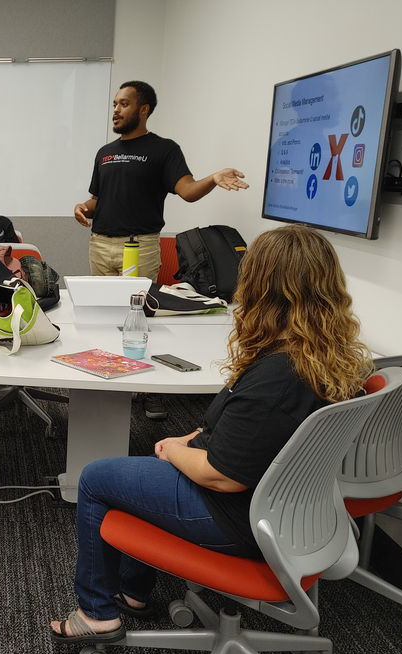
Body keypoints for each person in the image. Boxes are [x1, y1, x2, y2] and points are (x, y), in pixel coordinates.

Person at [50, 224, 372, 644]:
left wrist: (171, 449)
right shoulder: (327, 354)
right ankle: (132, 592)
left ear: (262, 286)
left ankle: (95, 614)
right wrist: (191, 441)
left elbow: (221, 475)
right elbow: (248, 433)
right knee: (135, 475)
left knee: (95, 478)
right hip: (284, 509)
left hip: (236, 516)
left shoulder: (277, 375)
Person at [74, 80, 249, 420]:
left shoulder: (163, 149)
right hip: (100, 245)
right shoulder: (105, 153)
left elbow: (187, 191)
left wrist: (213, 178)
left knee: (138, 316)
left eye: (124, 104)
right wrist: (83, 206)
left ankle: (146, 389)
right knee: (100, 316)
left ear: (144, 109)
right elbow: (99, 199)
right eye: (114, 103)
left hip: (138, 248)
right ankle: (103, 380)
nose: (115, 109)